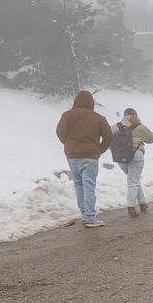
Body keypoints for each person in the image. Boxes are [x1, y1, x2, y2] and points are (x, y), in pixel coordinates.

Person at [56, 90, 113, 227]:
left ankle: (84, 213)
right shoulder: (98, 118)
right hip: (90, 156)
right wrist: (99, 150)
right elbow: (109, 136)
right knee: (88, 185)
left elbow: (60, 132)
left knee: (78, 184)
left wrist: (69, 144)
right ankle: (90, 217)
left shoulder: (67, 115)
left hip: (72, 156)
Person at [114, 107, 153, 217]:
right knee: (133, 180)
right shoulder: (140, 126)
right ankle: (131, 207)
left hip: (120, 156)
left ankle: (142, 204)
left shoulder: (115, 127)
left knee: (134, 179)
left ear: (124, 115)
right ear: (135, 115)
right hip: (136, 154)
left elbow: (109, 140)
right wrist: (143, 139)